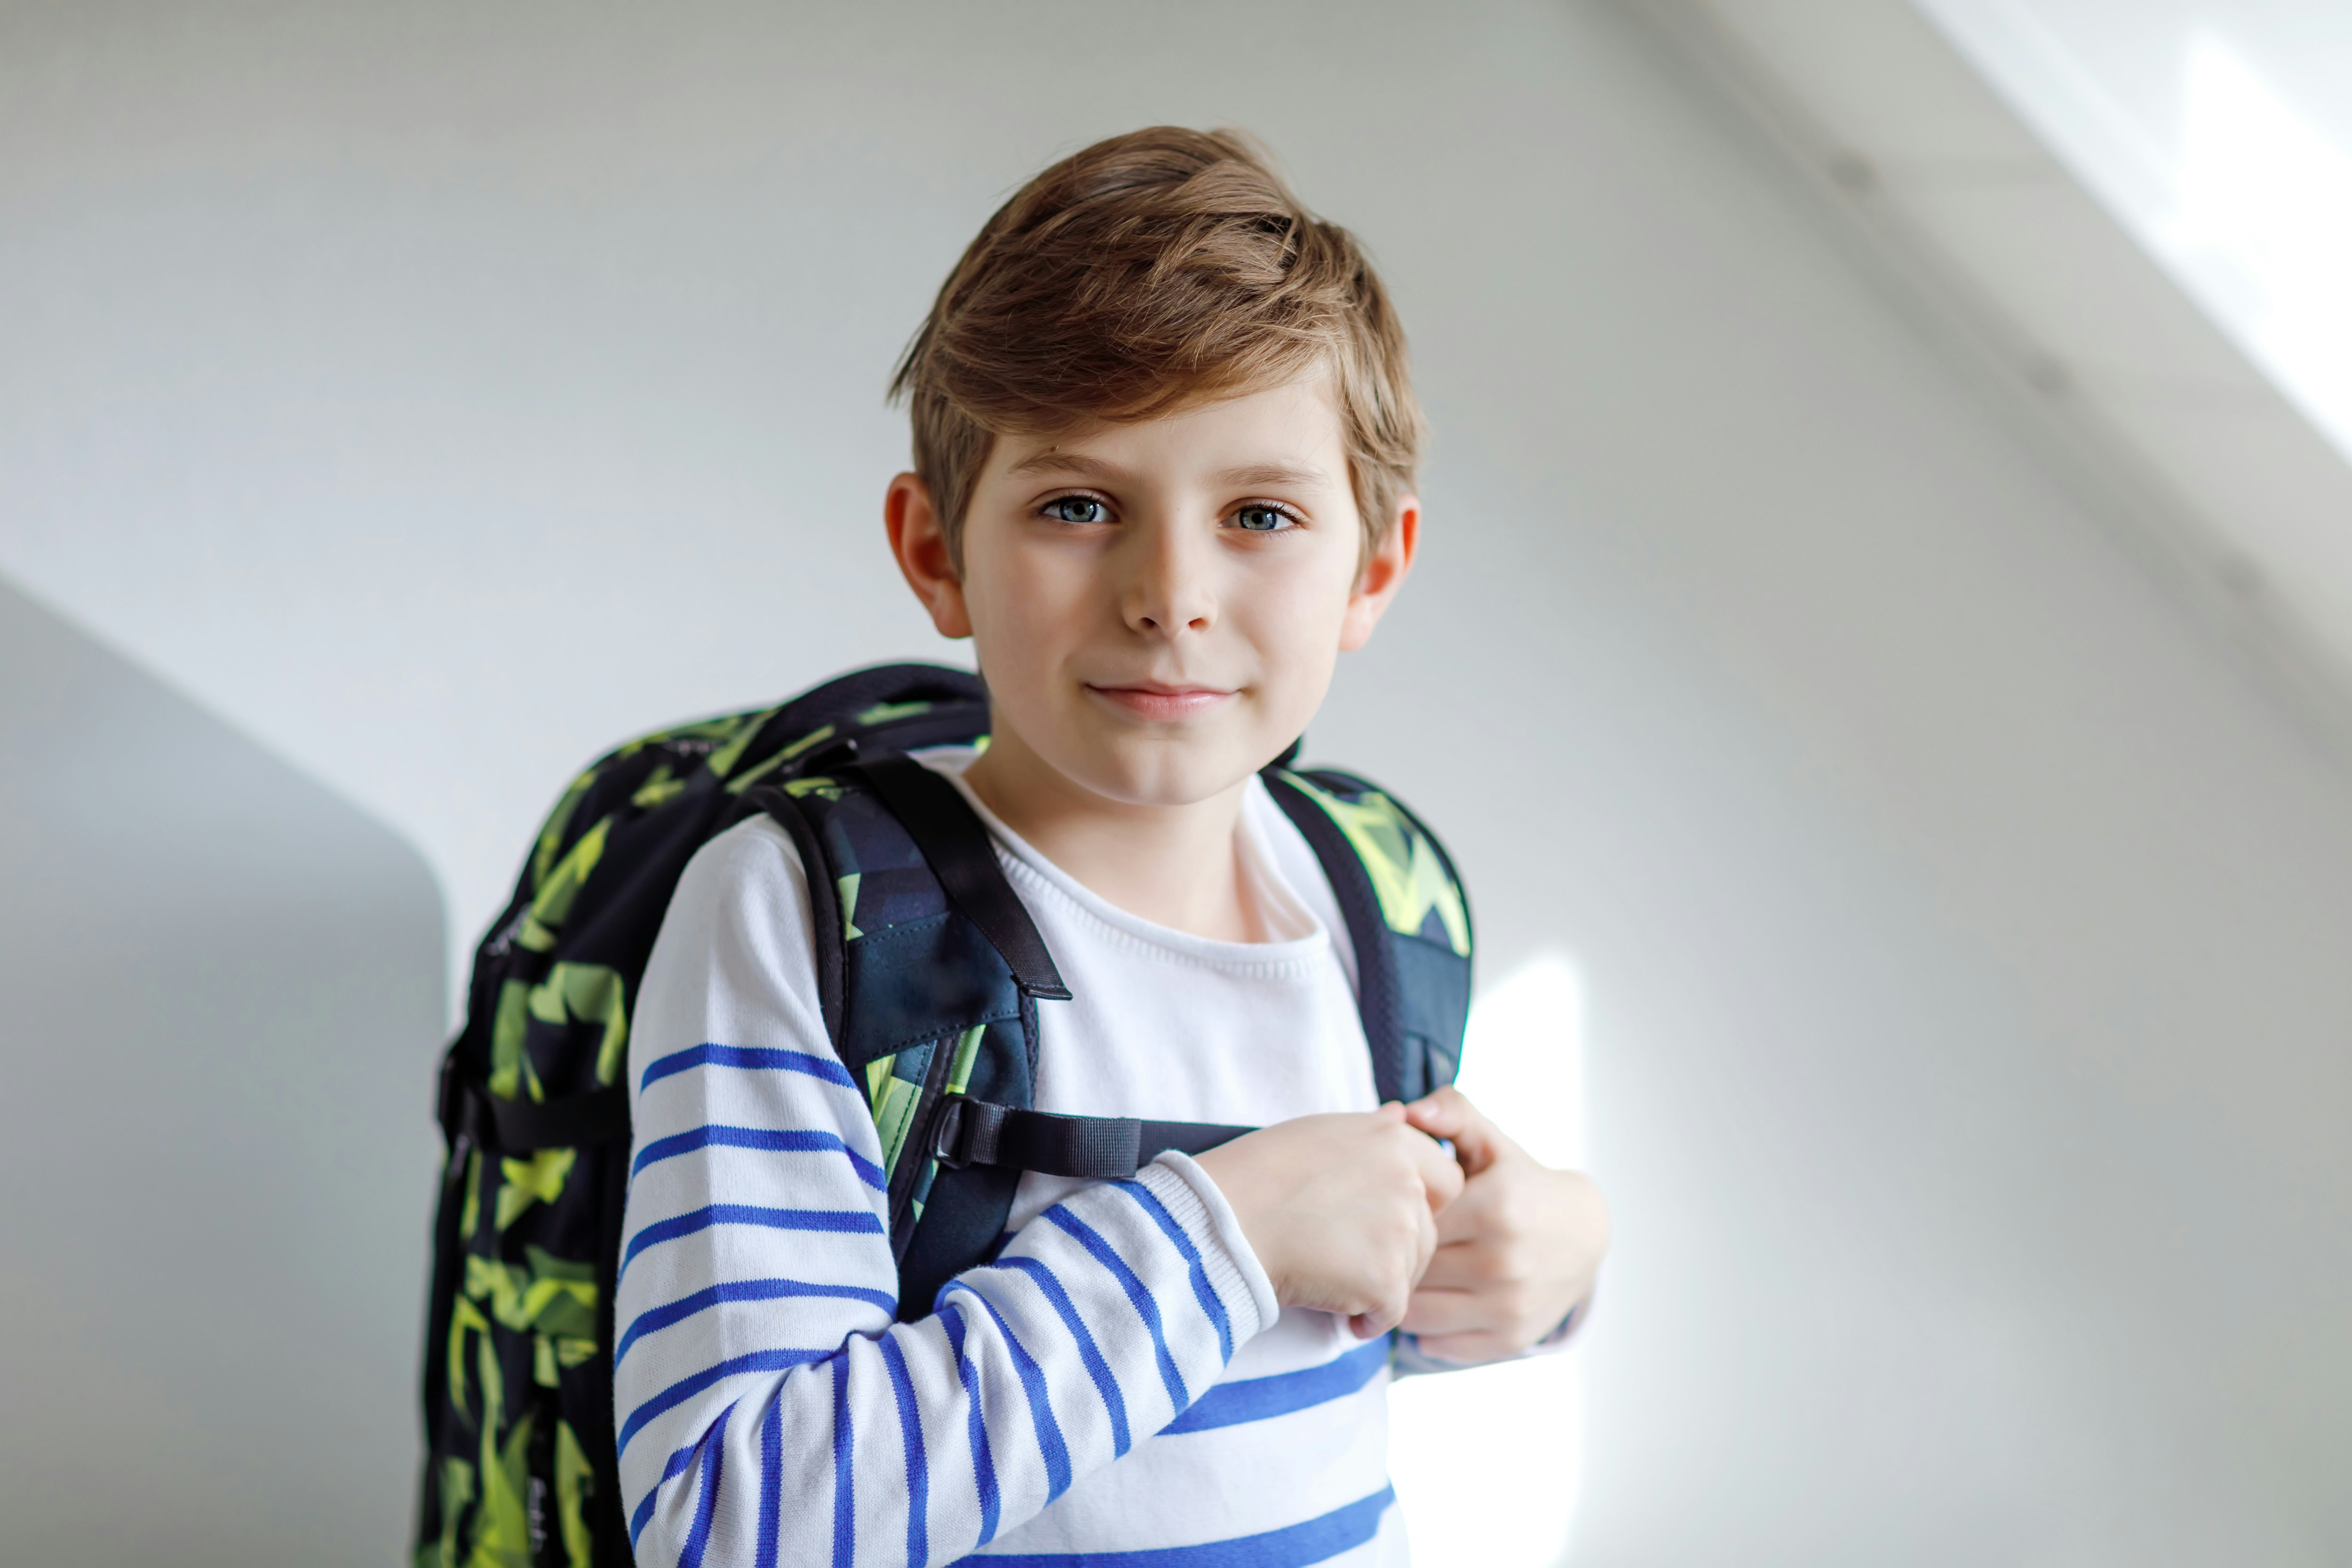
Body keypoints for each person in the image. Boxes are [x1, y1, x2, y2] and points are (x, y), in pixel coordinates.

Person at [615, 125, 1611, 1566]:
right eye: (1079, 507)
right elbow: (729, 1525)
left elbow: (1269, 1367)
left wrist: (1547, 1264)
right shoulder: (810, 915)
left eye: (1261, 514)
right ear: (938, 552)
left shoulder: (1366, 892)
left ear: (1372, 567)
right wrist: (1231, 1228)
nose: (1172, 594)